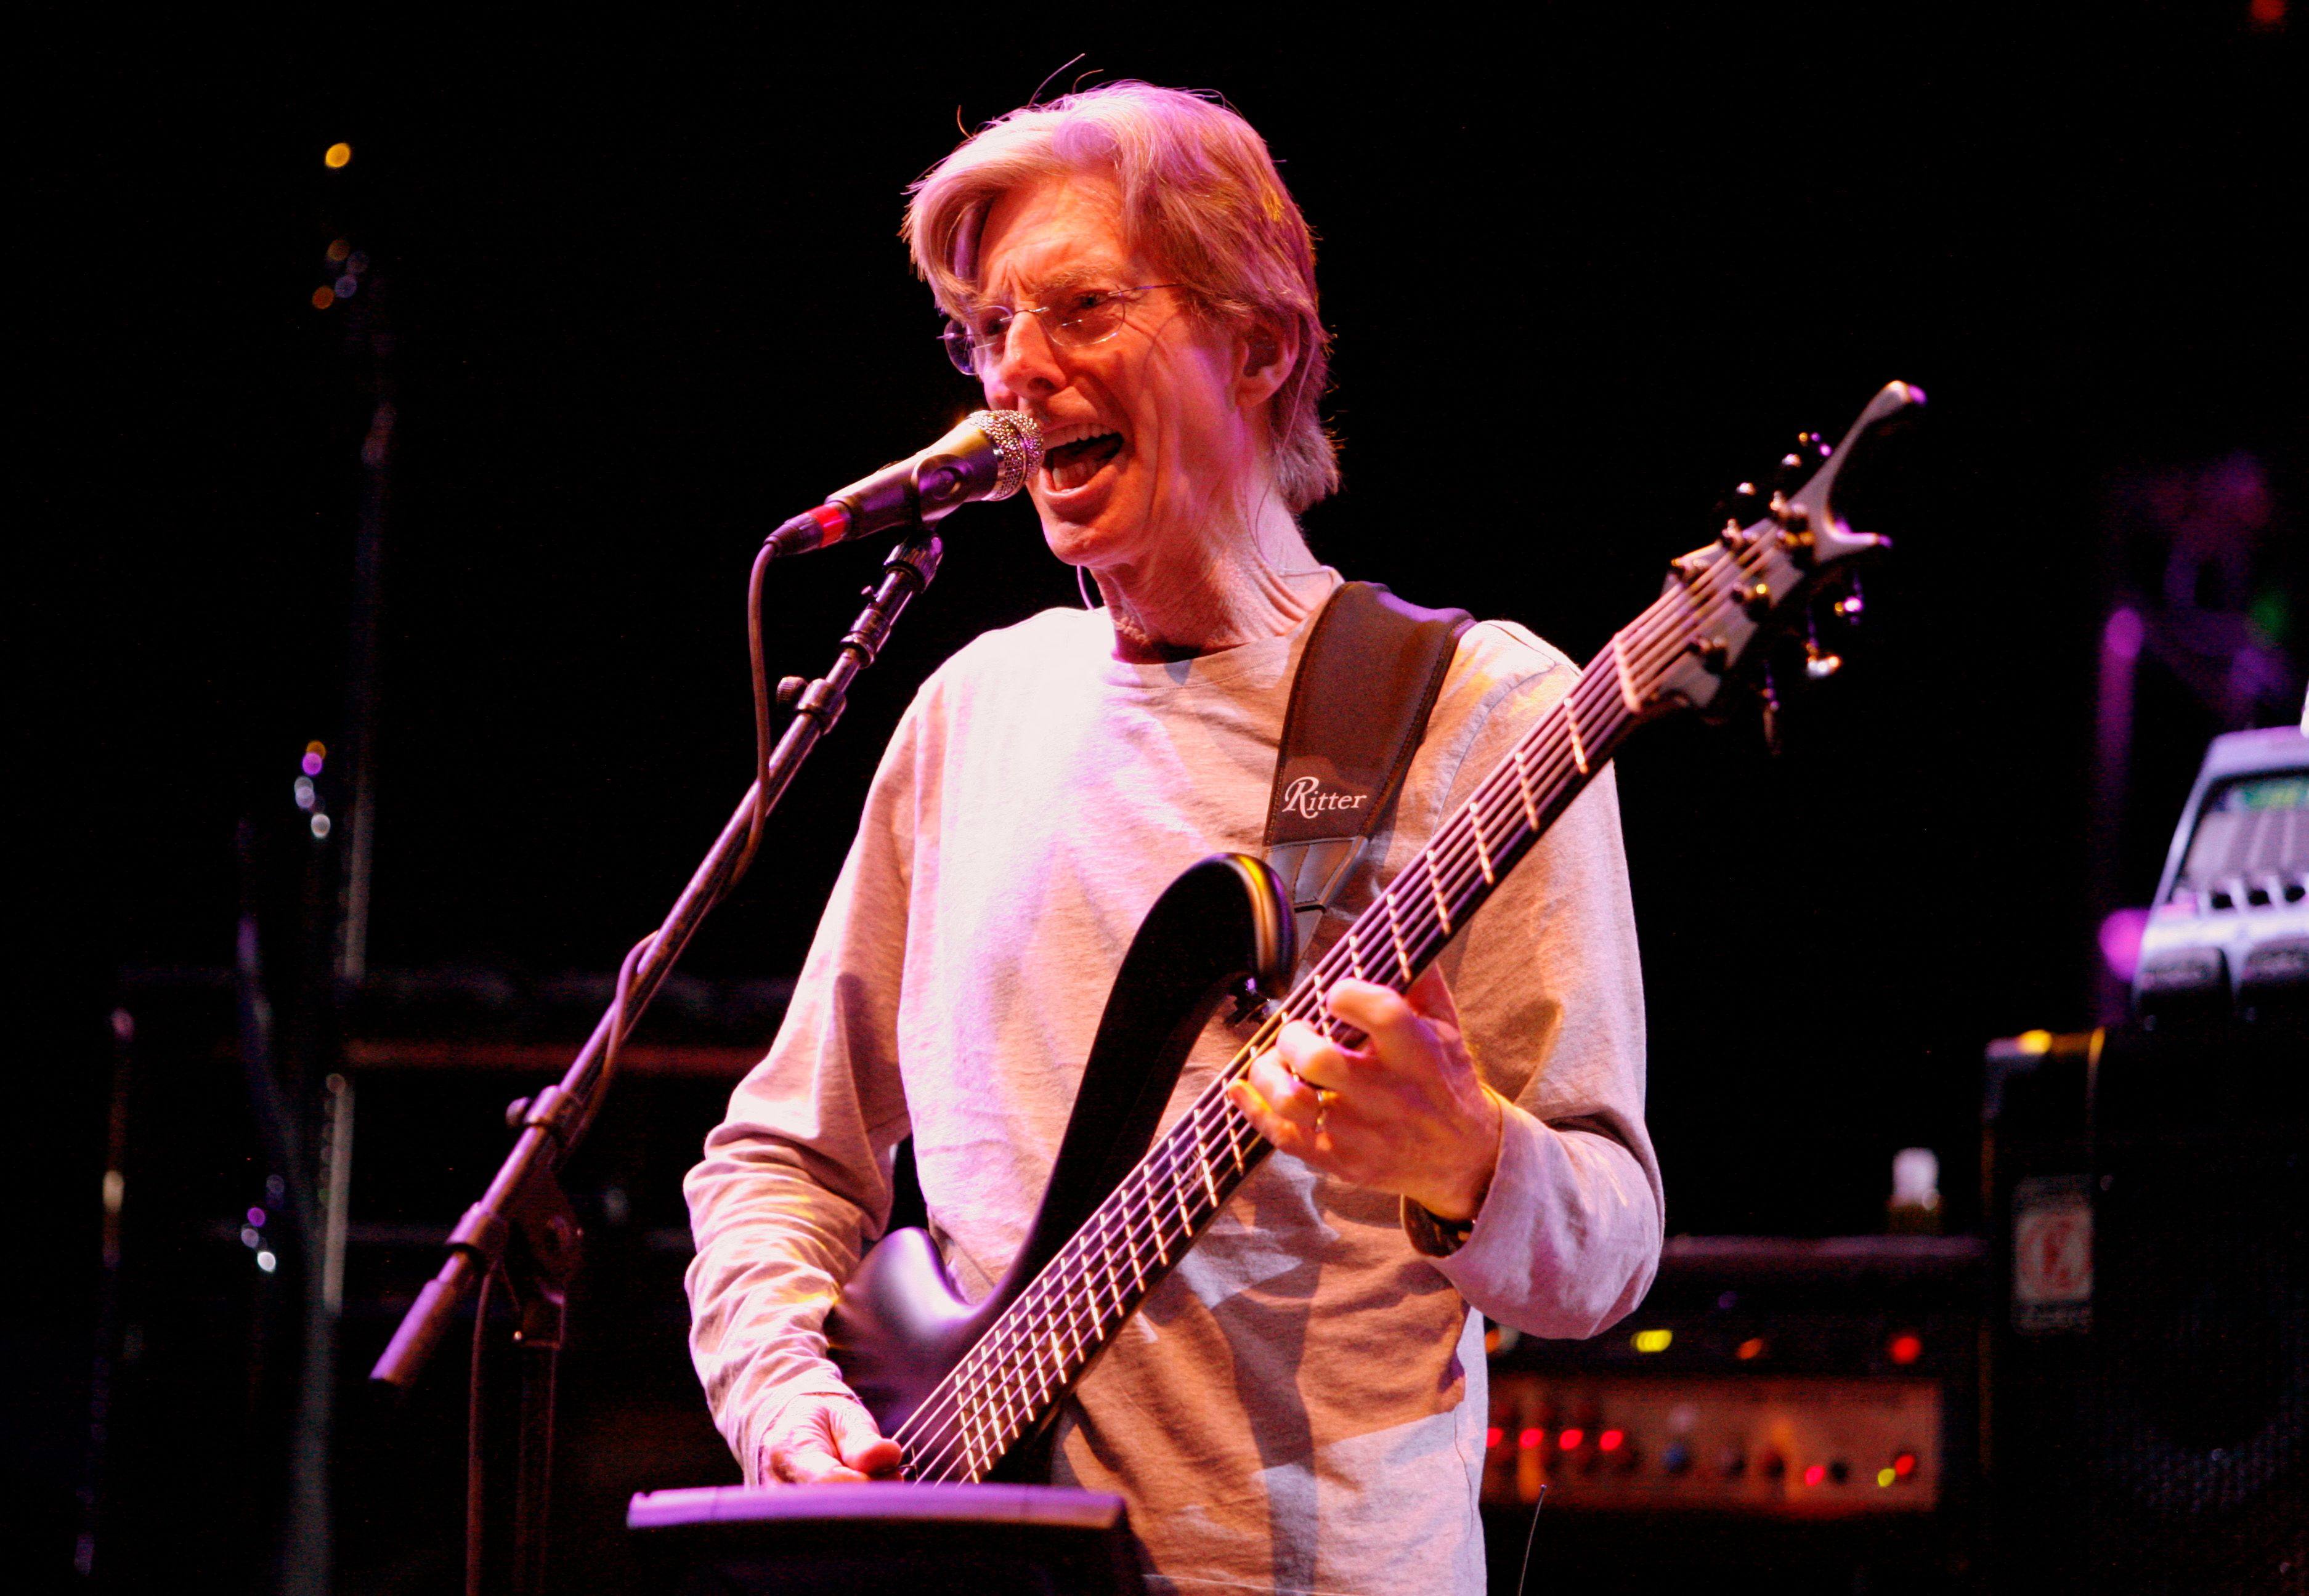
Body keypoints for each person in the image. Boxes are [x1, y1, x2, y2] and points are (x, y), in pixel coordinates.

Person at [684, 82, 1662, 1595]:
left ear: (1259, 347)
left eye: (1080, 306)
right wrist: (785, 1403)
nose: (1016, 372)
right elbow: (777, 1160)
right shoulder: (969, 711)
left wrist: (1469, 1159)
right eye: (985, 330)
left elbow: (1608, 1247)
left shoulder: (1475, 707)